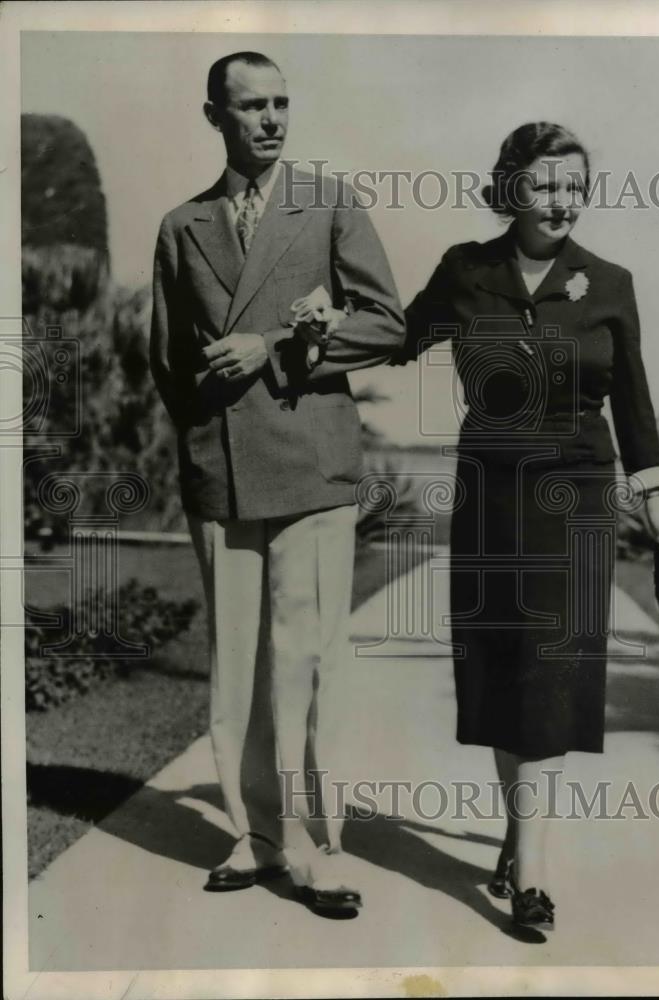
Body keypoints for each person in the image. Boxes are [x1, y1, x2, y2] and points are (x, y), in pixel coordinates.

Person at [396, 123, 659, 930]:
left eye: (574, 186)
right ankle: (523, 835)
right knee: (500, 670)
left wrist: (654, 501)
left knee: (549, 673)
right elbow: (399, 334)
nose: (563, 201)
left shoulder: (609, 282)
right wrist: (314, 334)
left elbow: (633, 401)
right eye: (547, 184)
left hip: (575, 496)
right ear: (511, 186)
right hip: (489, 491)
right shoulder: (466, 271)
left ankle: (534, 878)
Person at [150, 51, 404, 915]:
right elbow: (167, 356)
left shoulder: (328, 203)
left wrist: (278, 344)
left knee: (308, 660)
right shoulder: (181, 225)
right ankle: (256, 835)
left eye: (281, 104)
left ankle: (317, 846)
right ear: (213, 115)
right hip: (220, 468)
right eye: (250, 106)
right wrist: (200, 415)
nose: (270, 120)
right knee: (237, 662)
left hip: (310, 464)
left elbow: (386, 324)